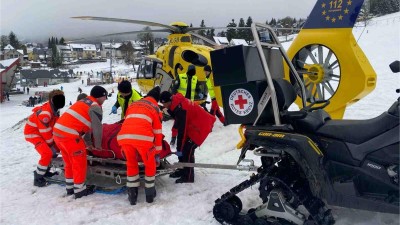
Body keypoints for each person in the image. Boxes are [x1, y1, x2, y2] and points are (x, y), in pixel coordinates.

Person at [53, 85, 107, 199]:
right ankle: (80, 190)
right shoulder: (95, 106)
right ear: (100, 96)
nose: (105, 100)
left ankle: (70, 187)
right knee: (79, 163)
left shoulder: (84, 102)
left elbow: (85, 125)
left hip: (58, 133)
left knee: (69, 162)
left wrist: (88, 143)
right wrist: (98, 145)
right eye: (105, 97)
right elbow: (97, 128)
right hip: (70, 136)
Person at [117, 86, 163, 205]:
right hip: (144, 139)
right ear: (156, 99)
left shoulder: (133, 104)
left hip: (124, 137)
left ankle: (132, 195)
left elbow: (126, 120)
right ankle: (149, 194)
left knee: (131, 164)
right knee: (150, 164)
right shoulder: (155, 108)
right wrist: (157, 152)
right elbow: (157, 132)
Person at [159, 91, 216, 183]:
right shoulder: (176, 103)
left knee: (187, 149)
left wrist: (180, 149)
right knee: (181, 147)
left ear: (169, 101)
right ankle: (182, 170)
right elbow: (178, 123)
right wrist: (175, 139)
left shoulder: (181, 109)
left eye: (164, 103)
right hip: (194, 124)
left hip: (201, 127)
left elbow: (182, 131)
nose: (164, 106)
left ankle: (188, 176)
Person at [24, 89, 65, 187]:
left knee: (54, 149)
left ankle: (45, 171)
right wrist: (52, 143)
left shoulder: (54, 110)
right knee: (47, 153)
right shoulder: (46, 113)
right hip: (33, 134)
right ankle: (38, 177)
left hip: (40, 134)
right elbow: (45, 132)